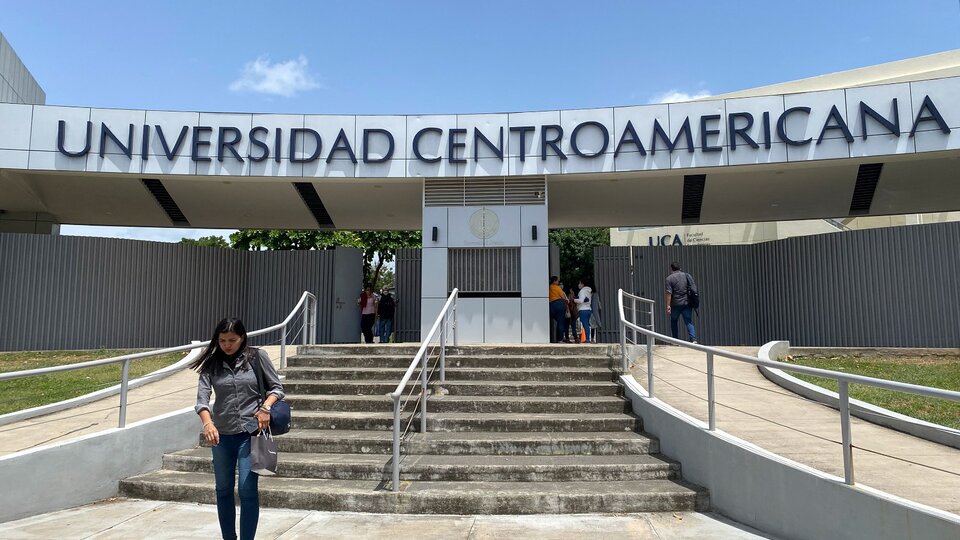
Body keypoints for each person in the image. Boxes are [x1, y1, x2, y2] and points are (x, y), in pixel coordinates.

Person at [191, 318, 284, 540]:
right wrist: (208, 423)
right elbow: (202, 400)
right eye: (222, 340)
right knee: (223, 490)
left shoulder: (257, 357)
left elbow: (277, 388)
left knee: (246, 489)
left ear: (242, 338)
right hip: (221, 437)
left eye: (232, 340)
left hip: (251, 434)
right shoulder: (211, 364)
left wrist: (265, 408)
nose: (227, 345)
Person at [665, 261, 697, 343]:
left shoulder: (669, 279)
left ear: (671, 269)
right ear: (680, 268)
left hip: (675, 304)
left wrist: (668, 305)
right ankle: (693, 339)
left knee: (674, 321)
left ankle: (675, 340)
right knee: (688, 321)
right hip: (686, 303)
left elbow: (669, 293)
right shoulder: (686, 276)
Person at [548, 276, 568, 343]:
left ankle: (556, 338)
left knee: (558, 322)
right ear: (554, 281)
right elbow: (563, 297)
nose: (558, 282)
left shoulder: (549, 287)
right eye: (557, 281)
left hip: (551, 305)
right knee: (561, 323)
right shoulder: (557, 288)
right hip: (559, 304)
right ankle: (560, 339)